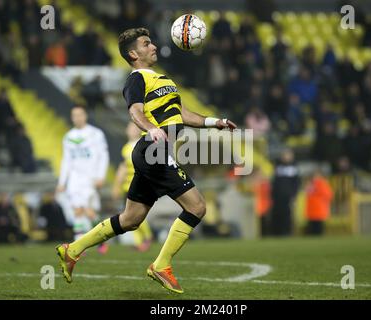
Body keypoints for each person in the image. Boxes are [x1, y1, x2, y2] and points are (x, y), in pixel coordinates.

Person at [56, 28, 236, 294]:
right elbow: (135, 111)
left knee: (131, 219)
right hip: (153, 150)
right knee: (196, 207)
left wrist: (214, 122)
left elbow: (183, 114)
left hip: (153, 152)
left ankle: (72, 250)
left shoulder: (163, 80)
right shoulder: (136, 79)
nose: (153, 47)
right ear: (133, 54)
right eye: (146, 44)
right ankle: (161, 265)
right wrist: (151, 128)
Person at [56, 106, 109, 254]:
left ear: (85, 116)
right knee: (77, 211)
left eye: (80, 114)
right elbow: (66, 160)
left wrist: (101, 176)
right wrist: (62, 182)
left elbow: (103, 156)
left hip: (90, 177)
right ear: (72, 117)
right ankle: (78, 246)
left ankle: (101, 239)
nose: (77, 117)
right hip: (74, 179)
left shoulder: (95, 134)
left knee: (89, 212)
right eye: (74, 115)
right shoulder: (68, 136)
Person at [112, 121, 153, 252]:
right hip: (127, 187)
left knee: (136, 214)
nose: (130, 129)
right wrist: (117, 186)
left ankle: (147, 237)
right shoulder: (125, 148)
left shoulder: (144, 145)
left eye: (133, 127)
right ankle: (139, 242)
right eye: (129, 127)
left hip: (140, 185)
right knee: (129, 215)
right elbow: (123, 168)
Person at [304, 169, 333, 236]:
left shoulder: (322, 183)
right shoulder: (311, 184)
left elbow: (328, 195)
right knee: (312, 225)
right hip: (312, 208)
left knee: (318, 225)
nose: (315, 177)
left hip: (319, 207)